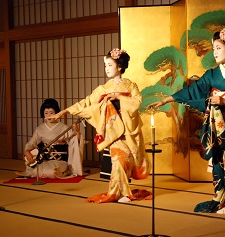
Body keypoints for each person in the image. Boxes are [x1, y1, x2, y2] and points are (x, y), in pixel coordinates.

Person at [149, 28, 225, 214]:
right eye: (213, 48)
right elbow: (194, 90)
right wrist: (168, 99)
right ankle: (219, 198)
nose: (214, 52)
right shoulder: (212, 74)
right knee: (217, 159)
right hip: (216, 123)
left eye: (218, 47)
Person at [47, 48, 151, 203]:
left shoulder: (131, 86)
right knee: (119, 160)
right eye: (105, 65)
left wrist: (117, 97)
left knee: (127, 161)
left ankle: (119, 191)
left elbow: (136, 103)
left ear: (120, 67)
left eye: (109, 65)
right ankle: (121, 193)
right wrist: (63, 112)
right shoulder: (103, 89)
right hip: (113, 132)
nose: (106, 69)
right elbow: (86, 102)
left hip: (128, 131)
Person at [22, 98, 84, 179]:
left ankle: (64, 171)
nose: (49, 115)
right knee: (35, 171)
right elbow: (31, 143)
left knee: (50, 172)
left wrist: (77, 131)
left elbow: (74, 141)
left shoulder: (64, 127)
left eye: (52, 112)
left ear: (57, 113)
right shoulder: (39, 129)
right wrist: (27, 151)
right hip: (45, 160)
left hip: (60, 161)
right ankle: (59, 173)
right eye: (46, 113)